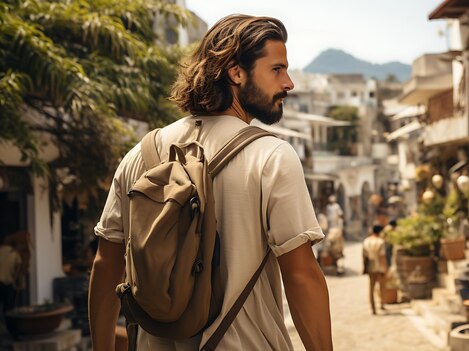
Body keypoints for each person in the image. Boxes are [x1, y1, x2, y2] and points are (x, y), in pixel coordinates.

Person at [89, 14, 332, 351]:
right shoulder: (271, 156)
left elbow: (106, 264)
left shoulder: (140, 155)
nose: (288, 83)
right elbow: (301, 273)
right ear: (236, 72)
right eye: (277, 69)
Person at [362, 225, 388, 315]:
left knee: (371, 288)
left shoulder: (366, 241)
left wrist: (364, 267)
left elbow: (364, 256)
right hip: (379, 267)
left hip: (370, 267)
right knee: (382, 286)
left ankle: (373, 308)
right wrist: (384, 268)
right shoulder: (381, 242)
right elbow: (382, 256)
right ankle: (382, 304)